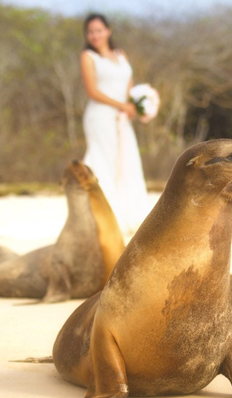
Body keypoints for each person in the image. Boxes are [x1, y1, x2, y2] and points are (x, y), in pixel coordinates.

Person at [81, 13, 149, 239]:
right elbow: (92, 91)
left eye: (99, 30)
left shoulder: (121, 55)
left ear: (108, 31)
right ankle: (106, 219)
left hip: (122, 117)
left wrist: (136, 105)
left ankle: (132, 216)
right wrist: (122, 105)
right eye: (91, 31)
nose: (95, 35)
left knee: (127, 160)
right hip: (100, 116)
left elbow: (128, 84)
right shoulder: (88, 56)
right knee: (104, 162)